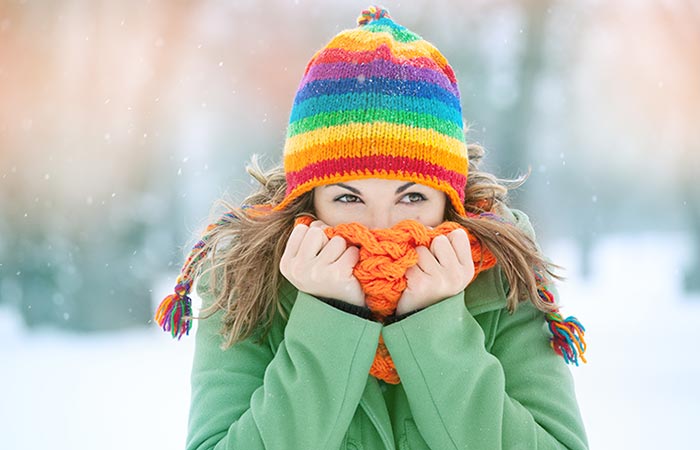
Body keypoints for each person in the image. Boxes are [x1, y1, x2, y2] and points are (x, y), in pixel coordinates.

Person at [155, 6, 588, 450]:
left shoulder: (503, 275)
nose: (382, 228)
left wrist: (435, 329)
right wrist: (330, 318)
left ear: (449, 200)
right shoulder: (244, 281)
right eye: (348, 198)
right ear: (309, 199)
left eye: (412, 197)